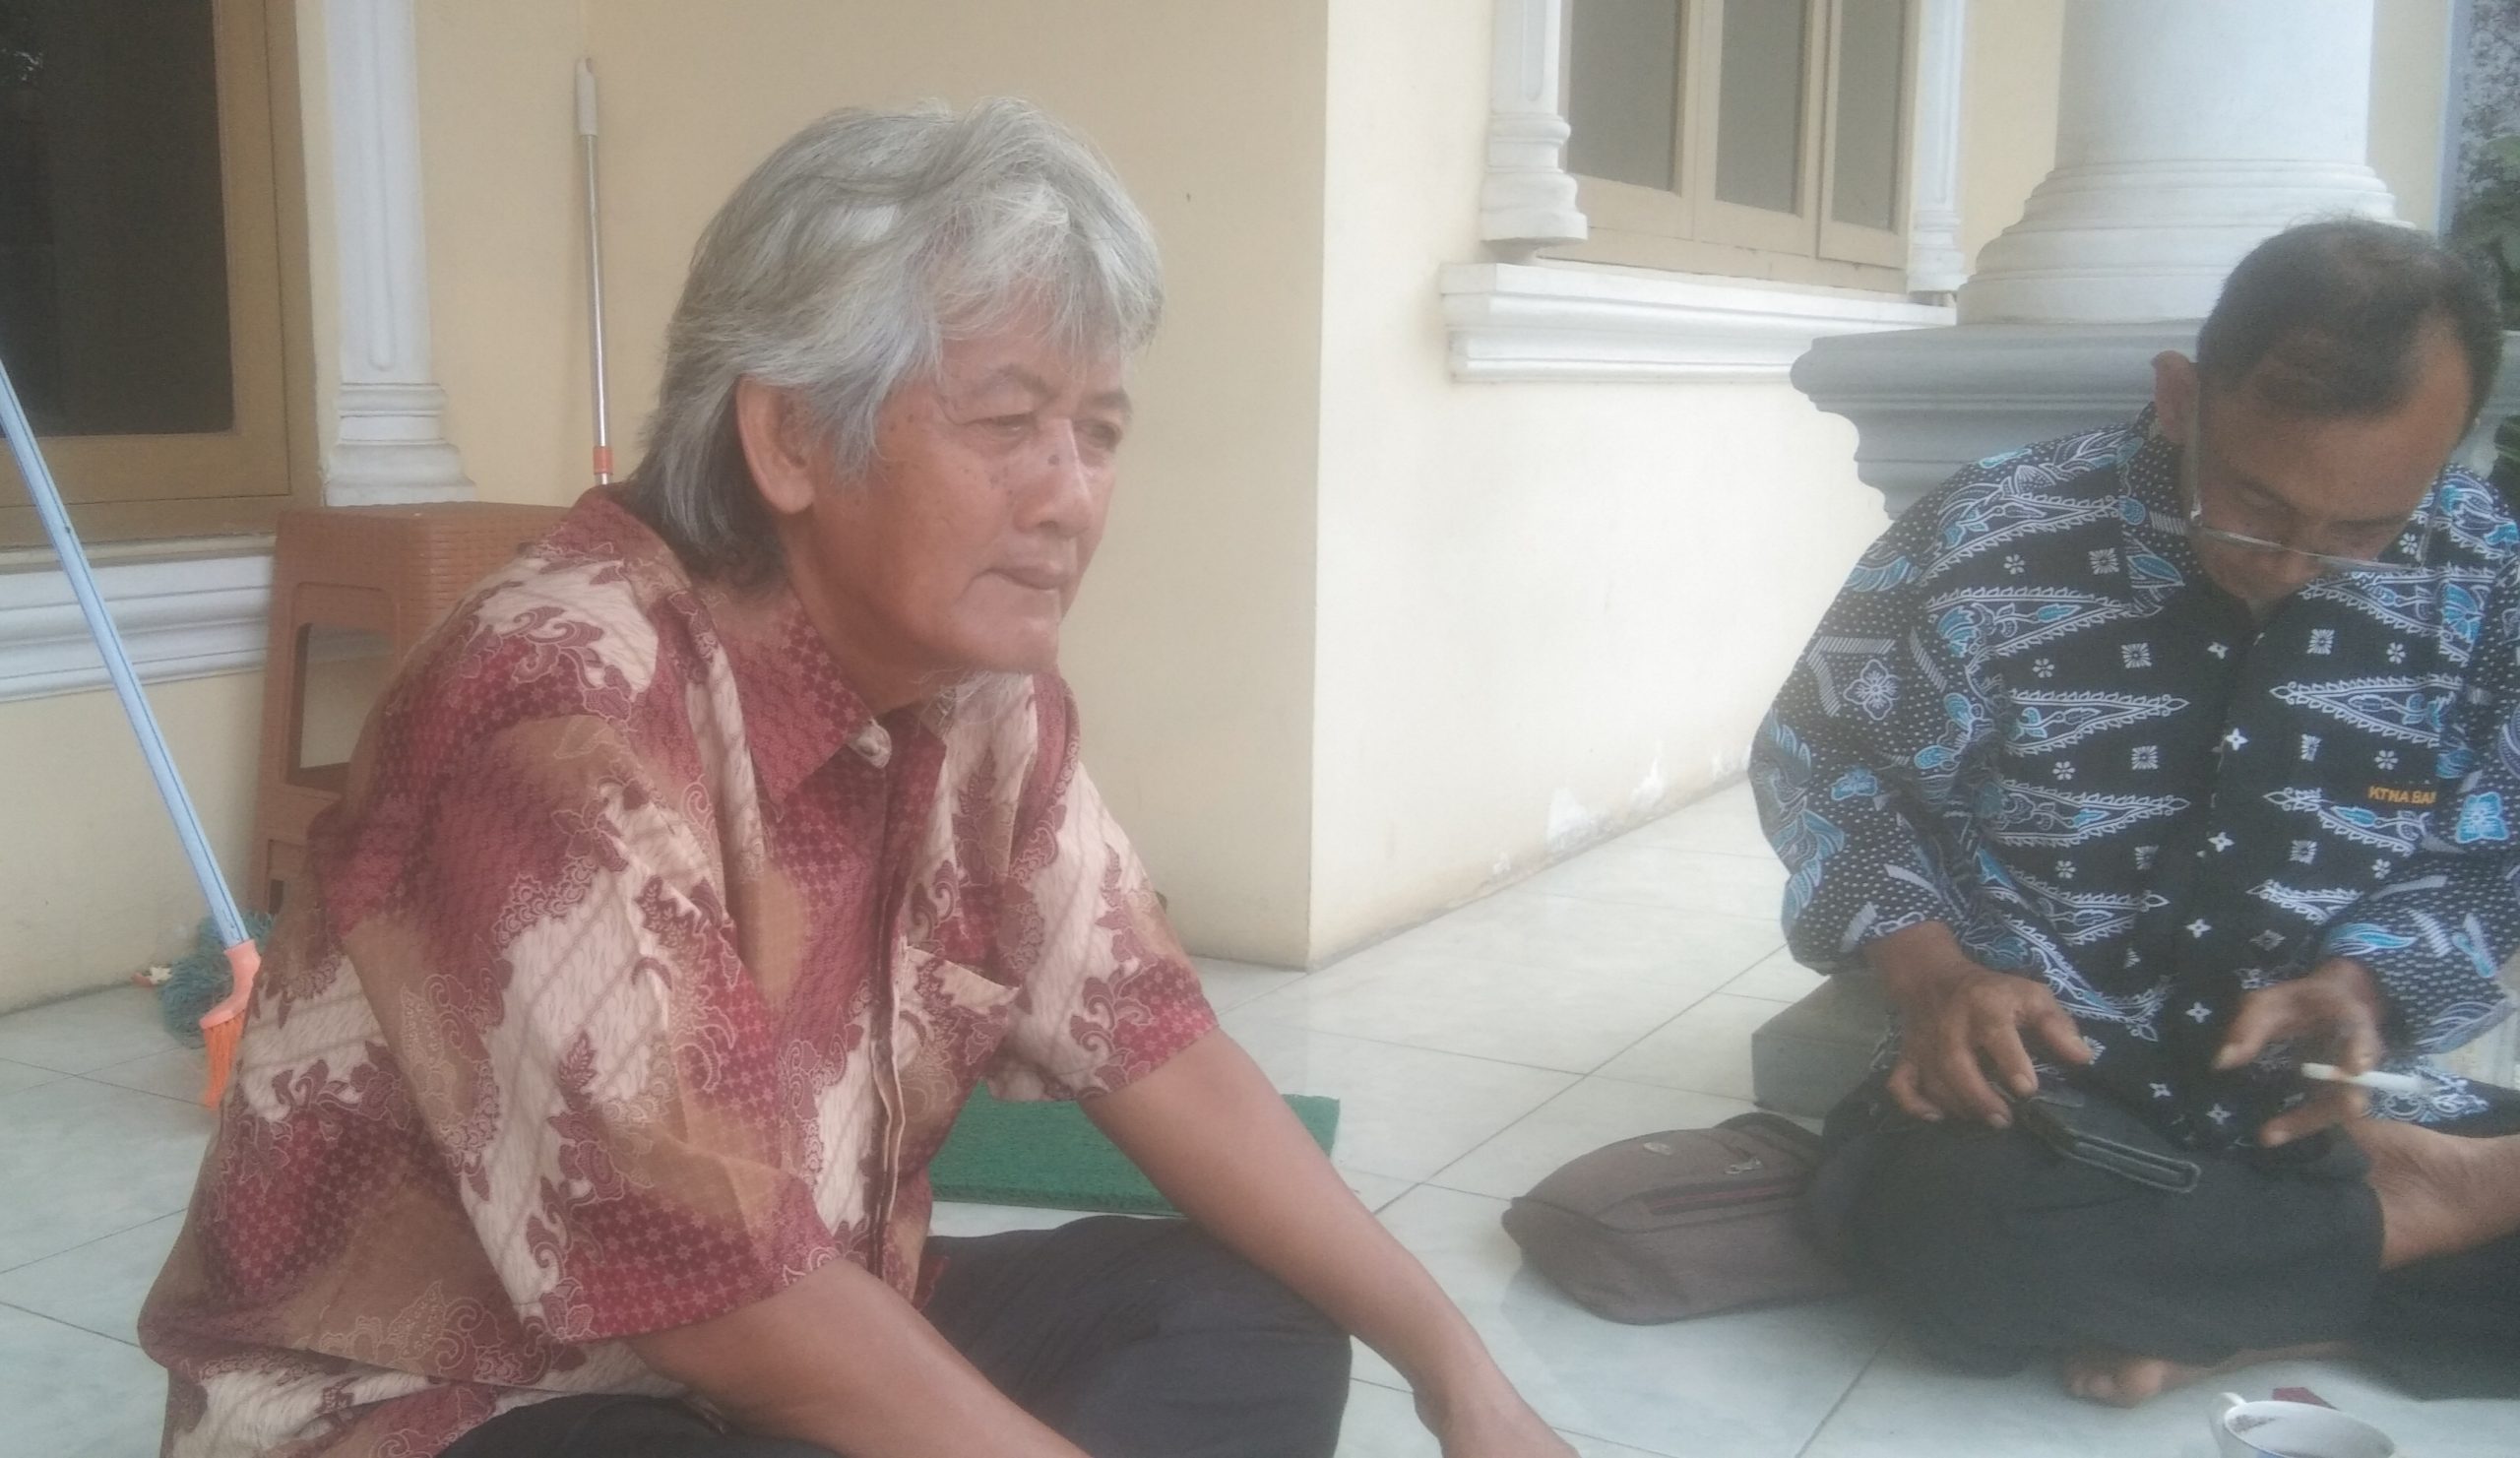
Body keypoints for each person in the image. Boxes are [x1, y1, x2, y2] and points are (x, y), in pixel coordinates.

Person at [140, 99, 1574, 1458]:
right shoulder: (559, 701)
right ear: (790, 438)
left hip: (784, 1330)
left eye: (1099, 431)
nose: (1070, 493)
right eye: (1007, 422)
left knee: (1252, 1321)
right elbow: (717, 1294)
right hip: (455, 1402)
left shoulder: (986, 699)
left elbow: (1158, 1044)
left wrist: (1458, 1371)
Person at [1754, 219, 2520, 1407]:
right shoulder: (1992, 532)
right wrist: (1934, 974)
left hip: (2330, 1112)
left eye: (2362, 530)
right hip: (2049, 1094)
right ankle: (2398, 1230)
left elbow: (2496, 835)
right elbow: (1825, 760)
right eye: (2255, 503)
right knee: (1960, 1238)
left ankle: (2251, 1303)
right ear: (2180, 398)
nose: (2293, 560)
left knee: (2026, 1267)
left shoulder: (2486, 572)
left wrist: (2366, 985)